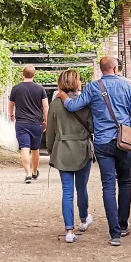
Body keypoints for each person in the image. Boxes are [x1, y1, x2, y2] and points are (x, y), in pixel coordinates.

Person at [59, 55, 131, 246]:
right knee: (125, 182)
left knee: (108, 186)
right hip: (125, 141)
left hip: (103, 143)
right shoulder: (128, 85)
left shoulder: (93, 87)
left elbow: (73, 106)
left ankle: (114, 234)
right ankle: (122, 225)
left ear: (102, 69)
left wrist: (62, 95)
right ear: (115, 68)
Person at [46, 69, 94, 244]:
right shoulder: (85, 103)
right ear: (77, 83)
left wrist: (51, 149)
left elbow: (50, 130)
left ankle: (68, 231)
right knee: (82, 188)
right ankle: (83, 219)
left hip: (62, 149)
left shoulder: (55, 104)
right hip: (82, 149)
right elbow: (92, 126)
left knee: (67, 191)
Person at [8, 64, 49, 183]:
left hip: (21, 123)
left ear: (22, 74)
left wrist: (11, 115)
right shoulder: (40, 89)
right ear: (34, 75)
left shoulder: (16, 88)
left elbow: (11, 105)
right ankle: (35, 171)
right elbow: (45, 106)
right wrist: (46, 121)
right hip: (36, 123)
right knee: (35, 149)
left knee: (24, 148)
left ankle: (27, 174)